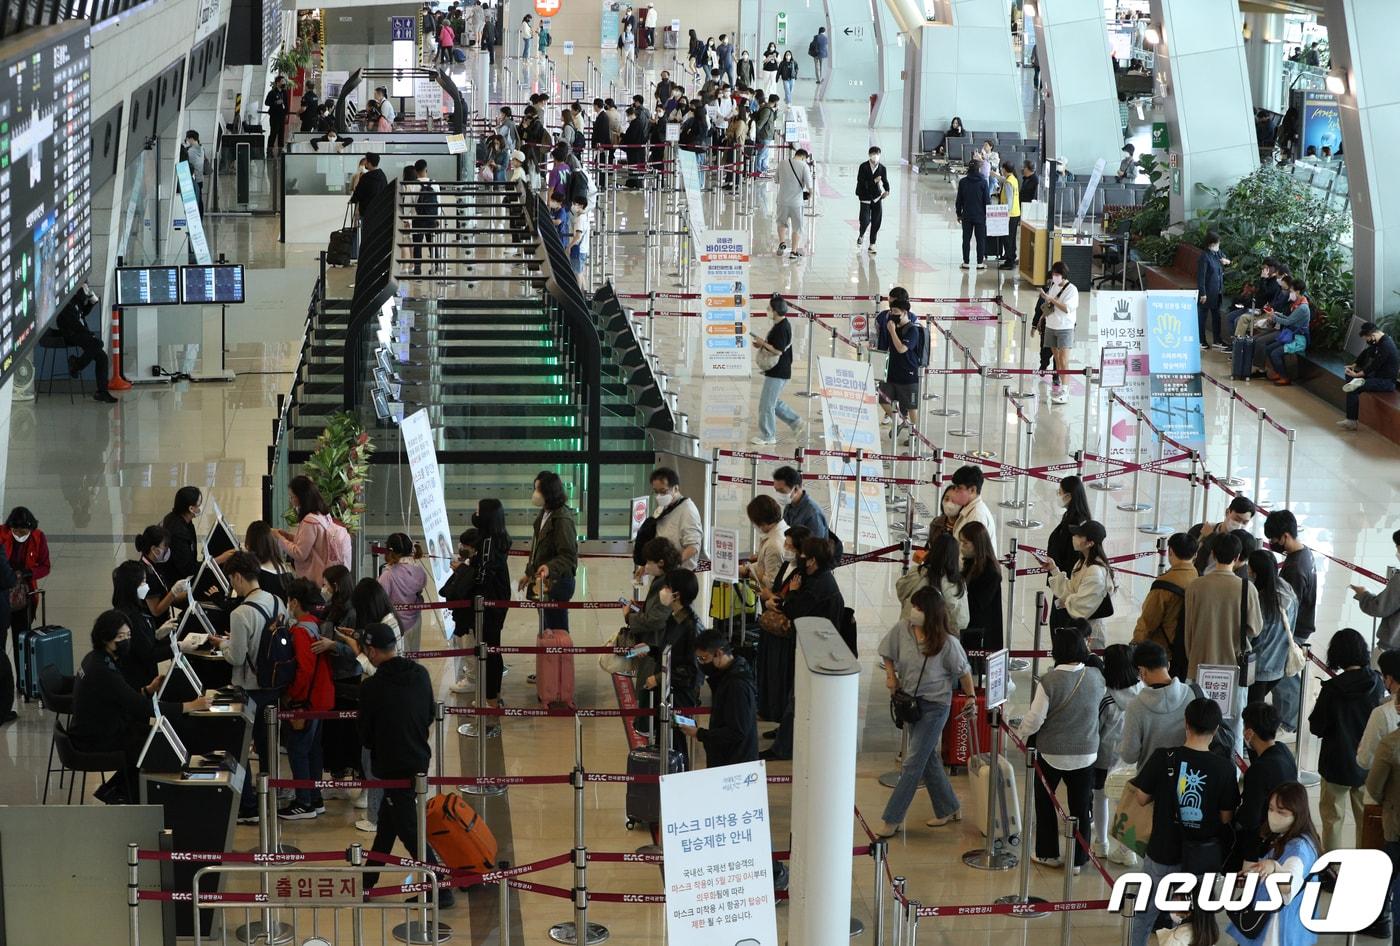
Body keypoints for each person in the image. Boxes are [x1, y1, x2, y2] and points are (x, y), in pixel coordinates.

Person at [357, 622, 455, 908]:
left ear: (372, 652)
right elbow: (427, 715)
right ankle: (366, 881)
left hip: (391, 765)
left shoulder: (372, 687)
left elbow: (365, 735)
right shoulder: (421, 674)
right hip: (418, 760)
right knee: (390, 823)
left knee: (409, 829)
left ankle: (441, 888)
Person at [1127, 698, 1239, 946]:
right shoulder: (1224, 768)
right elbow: (1226, 816)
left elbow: (1142, 798)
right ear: (1217, 728)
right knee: (1197, 914)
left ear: (1186, 724)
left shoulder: (1163, 757)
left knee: (1147, 911)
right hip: (1202, 856)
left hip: (1162, 851)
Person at [69, 611, 211, 803]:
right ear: (105, 638)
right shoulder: (102, 670)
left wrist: (148, 689)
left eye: (128, 636)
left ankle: (121, 791)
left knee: (156, 738)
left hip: (102, 728)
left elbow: (124, 698)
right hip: (96, 739)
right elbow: (142, 708)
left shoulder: (96, 658)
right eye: (120, 637)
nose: (126, 641)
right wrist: (190, 706)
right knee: (159, 746)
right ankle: (124, 794)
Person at [875, 586, 975, 836]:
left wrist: (971, 697)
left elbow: (964, 672)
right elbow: (886, 652)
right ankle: (949, 807)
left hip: (935, 707)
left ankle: (892, 818)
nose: (914, 611)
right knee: (927, 758)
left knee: (912, 762)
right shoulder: (902, 629)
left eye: (919, 607)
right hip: (910, 703)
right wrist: (890, 676)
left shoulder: (948, 643)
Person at [1016, 629, 1106, 872]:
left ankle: (1048, 853)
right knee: (1080, 807)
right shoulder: (1097, 677)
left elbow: (1035, 719)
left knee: (1045, 802)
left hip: (1051, 752)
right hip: (1086, 751)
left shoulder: (1049, 681)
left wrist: (1021, 733)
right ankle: (1078, 860)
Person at [218, 551, 289, 822]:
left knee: (241, 747)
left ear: (237, 576)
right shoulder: (277, 602)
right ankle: (270, 794)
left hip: (248, 688)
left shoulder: (240, 613)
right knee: (267, 744)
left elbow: (236, 657)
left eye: (231, 580)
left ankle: (249, 806)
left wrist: (223, 644)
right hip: (274, 685)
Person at [764, 536, 847, 761]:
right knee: (795, 695)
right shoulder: (816, 578)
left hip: (817, 650)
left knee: (797, 697)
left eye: (802, 554)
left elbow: (793, 610)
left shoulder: (818, 585)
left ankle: (783, 747)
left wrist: (792, 592)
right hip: (810, 645)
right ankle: (786, 734)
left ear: (811, 560)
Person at [1309, 626, 1386, 850]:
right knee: (1365, 819)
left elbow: (1317, 727)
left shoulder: (1332, 689)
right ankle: (1362, 866)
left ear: (1337, 655)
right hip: (1367, 763)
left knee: (1332, 819)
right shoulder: (1377, 683)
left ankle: (1332, 868)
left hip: (1336, 763)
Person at [1224, 783, 1321, 946]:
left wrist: (1274, 867)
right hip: (1284, 921)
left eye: (1281, 812)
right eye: (1270, 809)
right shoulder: (1291, 836)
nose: (1273, 815)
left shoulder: (1298, 851)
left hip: (1277, 928)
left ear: (1298, 814)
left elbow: (1290, 884)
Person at [441, 501, 511, 701]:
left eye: (478, 511)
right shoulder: (498, 537)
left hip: (490, 602)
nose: (475, 514)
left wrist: (463, 570)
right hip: (498, 597)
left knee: (488, 649)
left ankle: (489, 699)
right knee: (493, 648)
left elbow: (482, 576)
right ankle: (493, 694)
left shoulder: (489, 542)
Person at [277, 579, 335, 820]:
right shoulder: (316, 625)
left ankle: (304, 802)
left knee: (298, 749)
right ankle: (315, 797)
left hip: (307, 700)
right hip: (322, 696)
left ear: (295, 602)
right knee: (313, 749)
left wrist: (292, 696)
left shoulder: (300, 631)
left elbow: (304, 670)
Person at [1265, 509, 1317, 727]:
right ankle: (1285, 720)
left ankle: (1288, 724)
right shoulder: (1304, 554)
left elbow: (1288, 607)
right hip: (1301, 625)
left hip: (1293, 630)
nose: (1274, 544)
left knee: (1287, 678)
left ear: (1285, 536)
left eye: (1275, 540)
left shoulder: (1295, 568)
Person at [646, 569, 705, 762]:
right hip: (667, 693)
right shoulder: (675, 618)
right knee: (666, 742)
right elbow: (670, 650)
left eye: (666, 587)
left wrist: (659, 678)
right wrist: (650, 649)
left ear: (676, 595)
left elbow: (691, 671)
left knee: (677, 746)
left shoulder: (691, 627)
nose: (663, 590)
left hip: (681, 697)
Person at [678, 629, 758, 768]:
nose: (701, 664)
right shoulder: (726, 676)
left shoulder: (736, 685)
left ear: (719, 653)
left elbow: (736, 731)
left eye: (704, 658)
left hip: (735, 764)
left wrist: (700, 733)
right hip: (728, 757)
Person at [1232, 702, 1298, 867]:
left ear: (1249, 732)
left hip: (1261, 844)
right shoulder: (1283, 750)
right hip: (1286, 831)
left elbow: (1250, 818)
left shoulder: (1259, 771)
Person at [1093, 644, 1141, 864]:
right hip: (1133, 758)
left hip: (1105, 758)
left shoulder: (1106, 697)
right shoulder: (1142, 694)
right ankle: (1126, 849)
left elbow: (1096, 727)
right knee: (1128, 803)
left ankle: (1101, 843)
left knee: (1101, 798)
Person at [519, 471, 579, 637]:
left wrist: (548, 567)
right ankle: (550, 663)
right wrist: (530, 574)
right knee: (546, 630)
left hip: (557, 583)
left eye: (539, 490)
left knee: (556, 632)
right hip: (542, 581)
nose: (535, 494)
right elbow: (538, 548)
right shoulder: (545, 513)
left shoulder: (562, 519)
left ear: (549, 493)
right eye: (535, 488)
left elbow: (568, 555)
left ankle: (559, 663)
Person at [1118, 641, 1193, 771]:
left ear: (1142, 671)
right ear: (1168, 665)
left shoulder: (1135, 707)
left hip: (1150, 782)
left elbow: (1129, 756)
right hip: (1188, 778)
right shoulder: (1196, 693)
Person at [1132, 532, 1198, 678]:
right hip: (1191, 651)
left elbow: (1148, 622)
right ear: (1195, 554)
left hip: (1164, 655)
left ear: (1170, 551)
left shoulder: (1164, 585)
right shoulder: (1198, 578)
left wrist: (1136, 645)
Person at [1046, 520, 1115, 647]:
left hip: (1091, 636)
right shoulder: (1082, 562)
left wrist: (1065, 602)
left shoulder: (1095, 572)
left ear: (1090, 543)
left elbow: (1081, 607)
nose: (1074, 538)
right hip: (1079, 631)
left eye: (1079, 536)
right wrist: (1054, 570)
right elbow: (1071, 590)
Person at [0, 506, 50, 677]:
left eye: (23, 532)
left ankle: (23, 680)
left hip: (24, 597)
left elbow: (45, 566)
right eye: (16, 531)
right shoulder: (2, 534)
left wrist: (29, 573)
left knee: (21, 640)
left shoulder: (38, 537)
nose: (20, 535)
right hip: (3, 595)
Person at [1244, 549, 1298, 706]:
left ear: (1254, 572)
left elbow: (1251, 635)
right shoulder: (1288, 591)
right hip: (1279, 666)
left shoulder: (1261, 601)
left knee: (1252, 711)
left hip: (1258, 669)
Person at [275, 476, 351, 584]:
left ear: (300, 497)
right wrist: (289, 537)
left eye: (292, 497)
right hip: (327, 572)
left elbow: (300, 554)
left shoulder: (309, 521)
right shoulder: (322, 514)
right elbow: (314, 543)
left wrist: (280, 539)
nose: (291, 501)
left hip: (315, 578)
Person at [110, 560, 170, 694]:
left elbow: (141, 642)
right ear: (132, 586)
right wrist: (178, 647)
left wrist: (156, 635)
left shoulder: (132, 608)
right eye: (143, 581)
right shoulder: (131, 617)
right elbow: (148, 653)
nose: (146, 586)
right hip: (137, 681)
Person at [1365, 717, 1400, 939]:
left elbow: (1374, 786)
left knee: (1389, 872)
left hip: (1397, 825)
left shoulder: (1391, 744)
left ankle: (1381, 918)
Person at [54, 282, 117, 403]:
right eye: (84, 288)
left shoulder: (75, 300)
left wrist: (92, 303)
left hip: (80, 333)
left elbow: (82, 313)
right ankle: (76, 365)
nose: (86, 290)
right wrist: (89, 334)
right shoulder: (67, 302)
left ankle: (101, 392)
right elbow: (75, 323)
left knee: (102, 358)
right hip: (72, 335)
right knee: (98, 344)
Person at [753, 294, 803, 444]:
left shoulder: (782, 328)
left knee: (766, 404)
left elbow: (778, 350)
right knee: (772, 401)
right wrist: (762, 344)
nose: (767, 310)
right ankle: (796, 422)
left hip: (778, 372)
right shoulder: (781, 325)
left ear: (775, 311)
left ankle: (768, 435)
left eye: (769, 308)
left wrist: (762, 343)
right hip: (780, 371)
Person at [896, 532, 969, 632]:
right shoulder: (956, 584)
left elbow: (901, 589)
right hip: (940, 638)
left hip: (910, 632)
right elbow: (961, 621)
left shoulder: (917, 573)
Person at [1339, 322, 1399, 431]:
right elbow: (1367, 352)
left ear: (1372, 336)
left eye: (1367, 339)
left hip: (1386, 382)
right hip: (1376, 377)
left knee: (1353, 387)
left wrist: (1358, 374)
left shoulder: (1386, 346)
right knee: (1350, 379)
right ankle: (1351, 419)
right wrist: (1355, 365)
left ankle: (1351, 421)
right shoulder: (1379, 342)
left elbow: (1375, 365)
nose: (1368, 342)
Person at [1252, 274, 1311, 384]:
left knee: (1275, 353)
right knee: (1269, 349)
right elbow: (1290, 319)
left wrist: (1274, 317)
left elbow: (1288, 322)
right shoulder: (1298, 303)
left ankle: (1285, 377)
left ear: (1297, 292)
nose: (1290, 292)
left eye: (1292, 290)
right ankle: (1278, 372)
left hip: (1298, 340)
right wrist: (1277, 314)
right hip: (1291, 335)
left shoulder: (1302, 308)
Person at [877, 299, 923, 436]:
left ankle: (915, 434)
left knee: (912, 407)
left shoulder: (913, 330)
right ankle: (899, 421)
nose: (892, 314)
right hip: (891, 371)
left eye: (896, 312)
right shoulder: (893, 327)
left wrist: (892, 331)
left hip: (908, 375)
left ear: (905, 313)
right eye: (891, 311)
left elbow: (902, 348)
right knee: (883, 399)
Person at [958, 521, 1004, 657]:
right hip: (969, 629)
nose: (961, 547)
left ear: (977, 544)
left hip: (981, 637)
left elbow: (977, 603)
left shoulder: (990, 571)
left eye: (965, 543)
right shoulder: (970, 562)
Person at [1037, 261, 1080, 405]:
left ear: (1063, 275)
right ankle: (1061, 388)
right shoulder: (1053, 286)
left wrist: (1050, 299)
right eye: (1053, 274)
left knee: (1064, 360)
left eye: (1057, 274)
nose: (1054, 277)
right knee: (1057, 358)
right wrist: (1041, 318)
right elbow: (1049, 305)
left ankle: (1066, 391)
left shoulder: (1072, 290)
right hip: (1051, 326)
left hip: (1065, 328)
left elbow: (1067, 308)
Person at [378, 533, 427, 652]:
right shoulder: (419, 571)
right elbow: (420, 590)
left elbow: (380, 600)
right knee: (413, 656)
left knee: (397, 659)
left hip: (395, 624)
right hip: (415, 620)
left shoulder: (388, 575)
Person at [1354, 530, 1400, 653]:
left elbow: (1379, 608)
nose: (1397, 553)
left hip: (1392, 649)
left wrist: (1363, 594)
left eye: (1398, 548)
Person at [1188, 496, 1256, 574]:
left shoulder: (1244, 543)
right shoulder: (1200, 530)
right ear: (1227, 512)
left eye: (1245, 522)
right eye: (1237, 519)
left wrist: (1211, 537)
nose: (1239, 525)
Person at [1045, 475, 1092, 579]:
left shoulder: (1077, 522)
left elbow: (1073, 553)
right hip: (1060, 573)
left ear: (1068, 496)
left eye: (1060, 492)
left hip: (1067, 577)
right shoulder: (1069, 515)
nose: (1058, 495)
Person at [772, 466, 832, 543]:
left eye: (781, 490)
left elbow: (816, 548)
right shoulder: (789, 505)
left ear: (796, 488)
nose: (778, 494)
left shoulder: (813, 514)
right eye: (776, 490)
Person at [1196, 230, 1229, 352]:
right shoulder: (1205, 257)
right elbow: (1201, 277)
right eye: (1217, 244)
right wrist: (1203, 293)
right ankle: (1201, 340)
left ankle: (1217, 340)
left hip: (1217, 292)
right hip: (1207, 293)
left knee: (1217, 317)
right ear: (1211, 244)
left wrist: (1226, 261)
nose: (1219, 246)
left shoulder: (1217, 254)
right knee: (1202, 317)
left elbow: (1225, 258)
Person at [775, 147, 811, 259]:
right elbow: (810, 185)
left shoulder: (782, 163)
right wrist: (809, 195)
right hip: (796, 202)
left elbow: (776, 180)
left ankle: (782, 242)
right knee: (797, 227)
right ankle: (794, 252)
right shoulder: (804, 166)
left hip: (782, 200)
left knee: (781, 223)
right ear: (804, 157)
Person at [955, 159, 990, 270]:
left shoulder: (963, 182)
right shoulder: (983, 182)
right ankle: (980, 263)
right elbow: (987, 201)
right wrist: (987, 214)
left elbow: (959, 200)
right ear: (979, 169)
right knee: (980, 240)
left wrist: (958, 213)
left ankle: (966, 262)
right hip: (980, 216)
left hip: (967, 216)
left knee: (966, 239)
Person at [855, 146, 890, 253]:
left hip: (877, 197)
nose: (875, 156)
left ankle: (872, 244)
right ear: (869, 155)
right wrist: (874, 180)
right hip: (865, 197)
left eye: (877, 154)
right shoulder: (863, 167)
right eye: (873, 154)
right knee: (865, 220)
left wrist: (887, 191)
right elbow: (861, 182)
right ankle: (861, 235)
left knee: (876, 221)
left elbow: (885, 181)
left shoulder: (882, 168)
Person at [409, 161, 439, 275]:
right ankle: (435, 267)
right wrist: (437, 218)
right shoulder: (434, 184)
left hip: (418, 220)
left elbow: (409, 204)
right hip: (431, 219)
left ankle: (418, 269)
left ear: (415, 171)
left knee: (417, 244)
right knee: (432, 243)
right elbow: (439, 203)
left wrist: (407, 220)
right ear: (426, 169)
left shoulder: (413, 185)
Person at [349, 152, 388, 218]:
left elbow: (358, 193)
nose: (365, 163)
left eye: (366, 161)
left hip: (367, 210)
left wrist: (353, 200)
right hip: (380, 210)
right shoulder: (382, 176)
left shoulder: (366, 177)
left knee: (366, 227)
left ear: (369, 163)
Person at [998, 160, 1020, 268]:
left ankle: (1010, 261)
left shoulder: (1008, 182)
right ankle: (1012, 256)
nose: (1001, 170)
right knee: (1011, 237)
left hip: (1009, 215)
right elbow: (1002, 179)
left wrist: (1006, 214)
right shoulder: (1013, 179)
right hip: (1015, 213)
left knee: (1007, 238)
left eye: (1002, 169)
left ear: (1005, 170)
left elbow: (1009, 200)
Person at [265, 75, 289, 154]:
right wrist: (275, 103)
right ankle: (269, 150)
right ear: (277, 83)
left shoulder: (284, 92)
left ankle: (280, 149)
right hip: (274, 116)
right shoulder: (272, 93)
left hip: (282, 116)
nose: (284, 83)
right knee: (273, 133)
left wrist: (286, 114)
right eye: (282, 81)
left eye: (284, 81)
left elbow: (286, 104)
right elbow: (267, 102)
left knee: (281, 133)